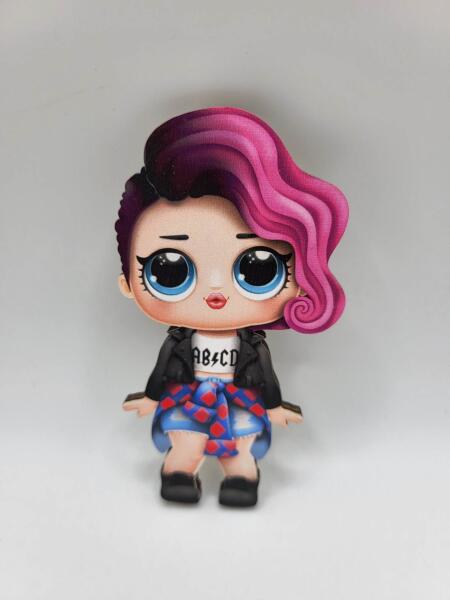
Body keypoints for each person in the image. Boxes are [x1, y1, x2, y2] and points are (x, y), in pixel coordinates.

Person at [115, 107, 348, 507]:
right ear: (128, 284)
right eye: (169, 270)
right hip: (189, 397)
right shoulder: (178, 339)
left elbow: (265, 372)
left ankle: (241, 481)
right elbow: (164, 365)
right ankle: (177, 476)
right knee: (185, 443)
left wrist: (272, 405)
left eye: (259, 269)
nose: (216, 291)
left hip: (240, 398)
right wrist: (152, 396)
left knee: (240, 448)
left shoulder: (252, 345)